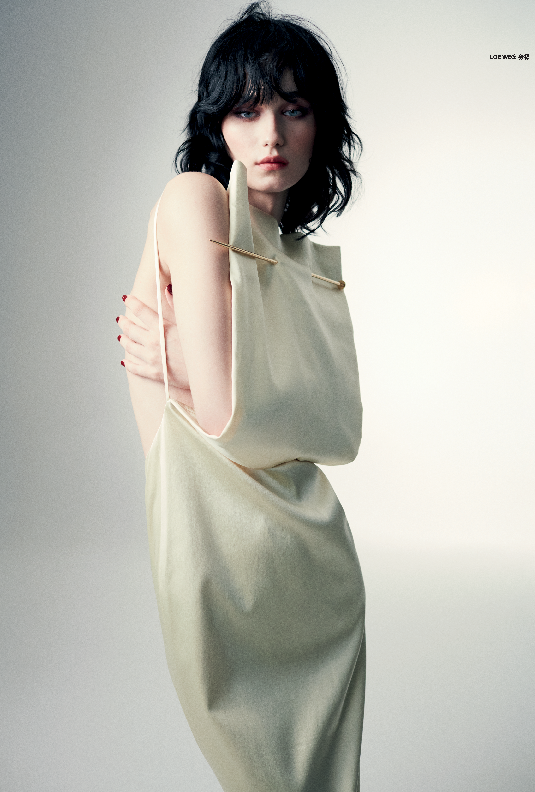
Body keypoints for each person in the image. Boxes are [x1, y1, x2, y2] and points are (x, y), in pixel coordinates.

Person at [116, 4, 365, 790]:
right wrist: (237, 384)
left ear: (320, 126)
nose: (270, 134)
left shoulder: (295, 257)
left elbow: (342, 431)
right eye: (247, 110)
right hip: (216, 552)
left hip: (312, 561)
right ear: (215, 124)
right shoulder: (192, 200)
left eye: (293, 109)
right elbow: (231, 418)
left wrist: (182, 362)